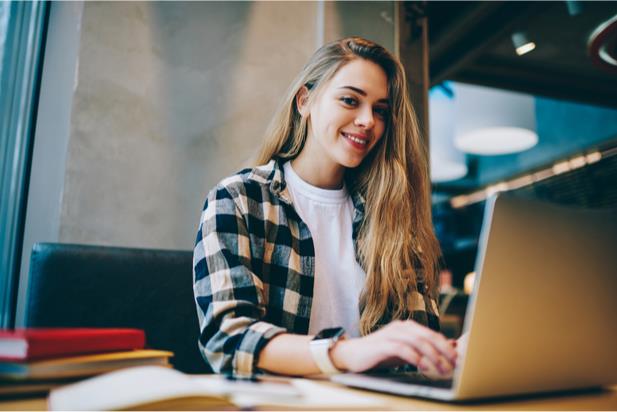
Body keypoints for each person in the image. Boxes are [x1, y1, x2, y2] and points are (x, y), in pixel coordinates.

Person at [193, 37, 457, 379]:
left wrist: (447, 353)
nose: (368, 121)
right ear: (305, 101)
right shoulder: (239, 200)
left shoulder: (393, 219)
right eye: (350, 100)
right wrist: (347, 352)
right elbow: (227, 339)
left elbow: (414, 351)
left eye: (380, 110)